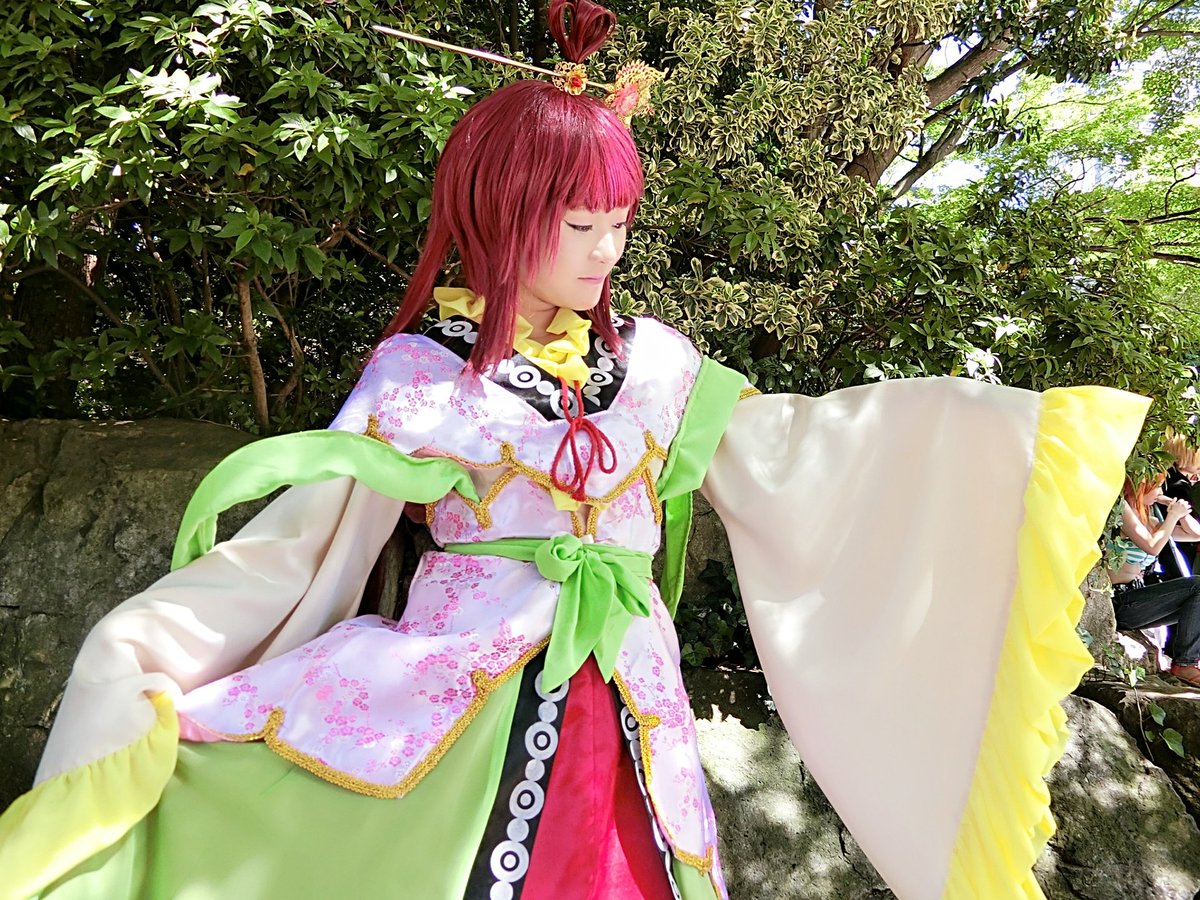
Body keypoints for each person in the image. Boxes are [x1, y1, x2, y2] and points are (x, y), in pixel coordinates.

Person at [0, 3, 1150, 899]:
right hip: (456, 708)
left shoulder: (659, 367)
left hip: (634, 712)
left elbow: (808, 453)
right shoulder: (419, 373)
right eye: (581, 224)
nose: (607, 250)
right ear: (503, 217)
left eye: (620, 224)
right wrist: (143, 650)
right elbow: (304, 547)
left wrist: (1017, 446)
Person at [1106, 474, 1200, 686]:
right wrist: (1172, 516)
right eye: (1156, 486)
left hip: (1137, 599)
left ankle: (1189, 662)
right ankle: (1184, 663)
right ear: (1141, 487)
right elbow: (1152, 546)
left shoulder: (1150, 519)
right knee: (1197, 586)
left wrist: (1176, 509)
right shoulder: (1121, 508)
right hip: (1119, 600)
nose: (1160, 491)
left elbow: (1196, 534)